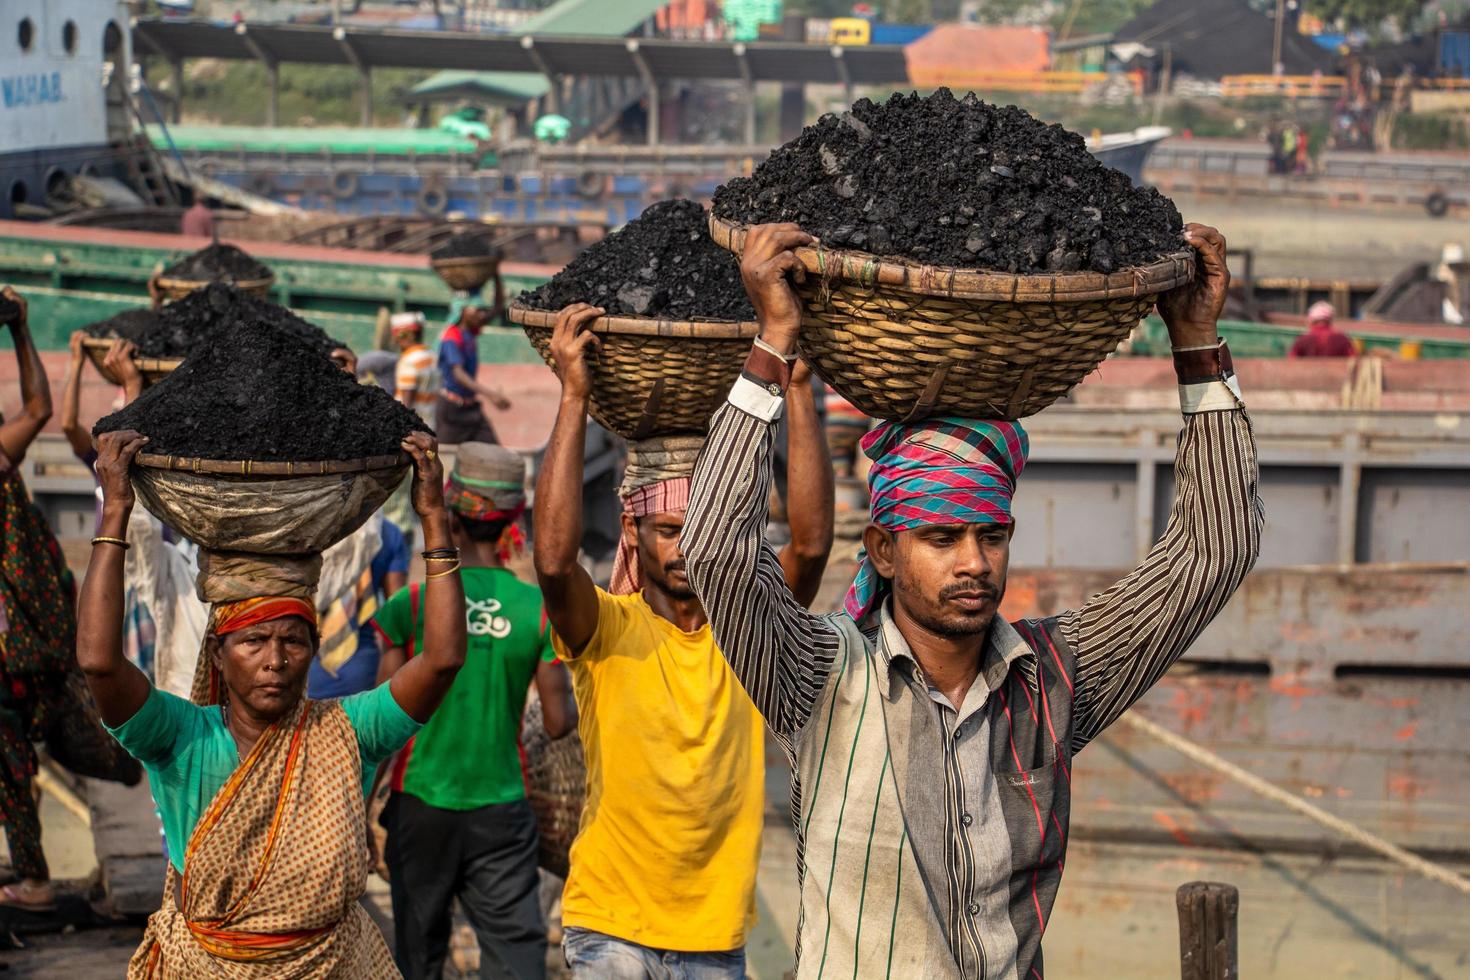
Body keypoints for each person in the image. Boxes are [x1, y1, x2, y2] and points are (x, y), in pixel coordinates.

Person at [679, 223, 1262, 978]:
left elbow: (1213, 552)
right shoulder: (820, 679)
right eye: (943, 537)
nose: (975, 563)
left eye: (991, 536)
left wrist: (1196, 342)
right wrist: (772, 344)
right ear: (885, 550)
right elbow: (718, 553)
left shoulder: (1054, 681)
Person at [76, 428, 466, 976]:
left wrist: (432, 517)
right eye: (253, 642)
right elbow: (99, 662)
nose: (275, 660)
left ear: (313, 649)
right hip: (205, 965)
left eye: (292, 641)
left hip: (330, 963)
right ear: (218, 653)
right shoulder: (182, 738)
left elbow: (443, 658)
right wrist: (115, 510)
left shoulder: (348, 732)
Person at [532, 303, 834, 979]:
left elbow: (810, 547)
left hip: (713, 931)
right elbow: (554, 564)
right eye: (669, 529)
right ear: (634, 532)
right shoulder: (604, 628)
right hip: (611, 923)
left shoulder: (747, 634)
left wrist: (803, 392)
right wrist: (573, 395)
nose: (688, 547)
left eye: (702, 528)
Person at [375, 442, 577, 980]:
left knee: (419, 953)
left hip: (420, 802)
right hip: (502, 809)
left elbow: (384, 717)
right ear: (513, 519)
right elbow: (558, 722)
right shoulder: (536, 610)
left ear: (454, 519)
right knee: (515, 954)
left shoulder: (410, 608)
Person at [0, 289, 141, 912]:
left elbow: (38, 407)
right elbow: (41, 409)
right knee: (12, 765)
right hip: (33, 645)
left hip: (26, 648)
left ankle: (33, 879)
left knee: (19, 760)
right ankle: (32, 875)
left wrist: (22, 330)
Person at [436, 298, 512, 446]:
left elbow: (497, 307)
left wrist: (495, 276)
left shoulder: (471, 330)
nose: (482, 315)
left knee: (496, 454)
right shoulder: (452, 336)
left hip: (471, 409)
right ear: (463, 311)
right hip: (453, 411)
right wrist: (491, 394)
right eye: (478, 310)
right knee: (443, 457)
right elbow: (458, 374)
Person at [392, 311, 439, 428]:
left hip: (414, 429)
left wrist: (402, 427)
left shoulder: (408, 361)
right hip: (430, 425)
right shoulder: (431, 355)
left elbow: (406, 404)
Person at [1289, 301, 1356, 357]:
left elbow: (1291, 361)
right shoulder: (1342, 338)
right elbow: (1353, 358)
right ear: (1330, 320)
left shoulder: (1302, 339)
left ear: (1311, 320)